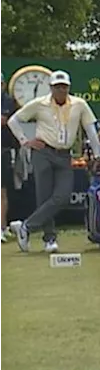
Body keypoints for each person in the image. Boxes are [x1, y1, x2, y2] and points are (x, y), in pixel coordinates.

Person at [6, 70, 100, 252]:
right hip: (43, 152)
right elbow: (14, 121)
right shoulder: (40, 103)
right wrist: (25, 142)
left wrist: (97, 154)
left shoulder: (79, 104)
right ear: (51, 88)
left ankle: (26, 227)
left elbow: (90, 129)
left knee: (63, 196)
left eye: (64, 87)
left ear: (68, 88)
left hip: (64, 154)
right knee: (44, 196)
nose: (61, 90)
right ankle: (49, 239)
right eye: (57, 87)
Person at [0, 72, 16, 244]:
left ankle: (1, 229)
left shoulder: (7, 100)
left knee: (1, 191)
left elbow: (3, 120)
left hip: (2, 150)